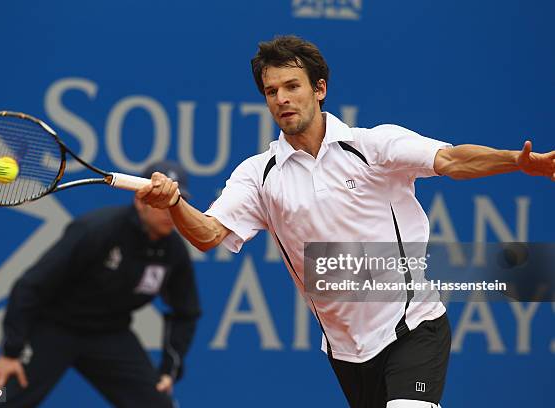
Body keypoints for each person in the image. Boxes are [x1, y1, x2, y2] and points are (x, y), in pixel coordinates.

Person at [135, 36, 555, 408]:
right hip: (345, 350)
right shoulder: (258, 175)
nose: (281, 98)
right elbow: (209, 234)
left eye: (292, 87)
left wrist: (514, 163)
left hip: (413, 326)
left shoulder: (373, 146)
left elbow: (451, 160)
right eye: (271, 91)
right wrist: (174, 203)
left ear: (319, 90)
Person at [0, 161, 201, 408]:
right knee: (0, 403)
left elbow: (186, 312)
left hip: (110, 334)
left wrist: (168, 370)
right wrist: (10, 352)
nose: (168, 210)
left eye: (174, 201)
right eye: (160, 201)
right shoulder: (97, 229)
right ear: (140, 201)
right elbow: (30, 285)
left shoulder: (174, 250)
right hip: (53, 327)